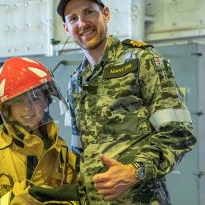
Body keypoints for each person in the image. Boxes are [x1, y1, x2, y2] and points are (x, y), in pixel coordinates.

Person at [57, 0, 197, 204]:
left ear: (105, 14)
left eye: (89, 12)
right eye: (73, 18)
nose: (83, 23)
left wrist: (134, 172)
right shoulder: (76, 82)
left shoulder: (141, 60)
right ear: (66, 28)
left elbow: (179, 132)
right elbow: (80, 151)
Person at [0, 57, 79, 205]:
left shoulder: (61, 153)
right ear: (7, 108)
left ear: (46, 100)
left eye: (35, 98)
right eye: (19, 100)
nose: (28, 107)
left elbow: (77, 198)